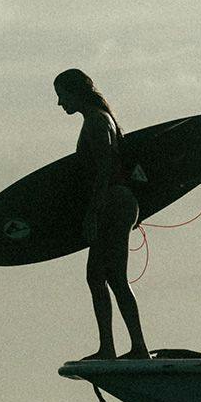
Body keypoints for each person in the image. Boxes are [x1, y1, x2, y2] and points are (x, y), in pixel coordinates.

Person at [54, 68, 149, 360]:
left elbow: (106, 169)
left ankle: (135, 348)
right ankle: (110, 347)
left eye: (62, 96)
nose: (60, 103)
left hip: (114, 203)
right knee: (98, 276)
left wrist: (92, 213)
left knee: (112, 277)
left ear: (75, 92)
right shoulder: (97, 119)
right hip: (114, 202)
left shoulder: (97, 121)